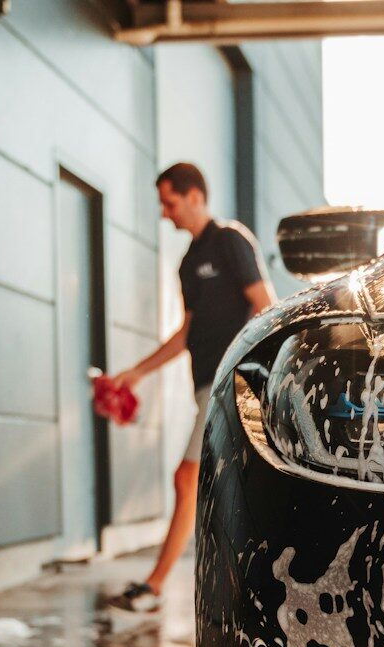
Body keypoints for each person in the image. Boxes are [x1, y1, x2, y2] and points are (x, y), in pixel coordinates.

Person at [105, 162, 275, 612]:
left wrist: (243, 372)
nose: (165, 213)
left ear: (195, 196)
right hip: (205, 386)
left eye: (169, 202)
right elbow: (187, 332)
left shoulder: (231, 241)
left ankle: (157, 585)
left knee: (187, 478)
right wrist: (136, 373)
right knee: (217, 485)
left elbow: (264, 306)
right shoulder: (186, 264)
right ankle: (230, 586)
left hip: (233, 383)